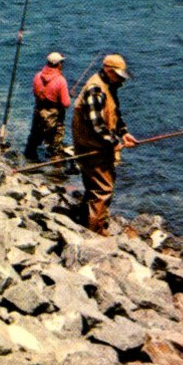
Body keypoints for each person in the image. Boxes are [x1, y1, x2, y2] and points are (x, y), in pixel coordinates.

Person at [71, 53, 137, 235]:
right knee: (102, 189)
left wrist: (124, 133)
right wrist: (114, 142)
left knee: (93, 187)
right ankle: (95, 233)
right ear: (108, 71)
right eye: (119, 76)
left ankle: (85, 221)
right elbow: (98, 125)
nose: (121, 81)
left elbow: (114, 114)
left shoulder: (109, 85)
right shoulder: (95, 89)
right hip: (91, 148)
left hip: (96, 145)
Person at [24, 51, 71, 164]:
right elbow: (66, 104)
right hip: (54, 114)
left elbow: (35, 93)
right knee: (55, 138)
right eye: (61, 63)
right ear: (58, 64)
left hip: (39, 110)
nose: (62, 65)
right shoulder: (61, 81)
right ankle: (55, 165)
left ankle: (28, 158)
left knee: (34, 136)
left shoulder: (37, 76)